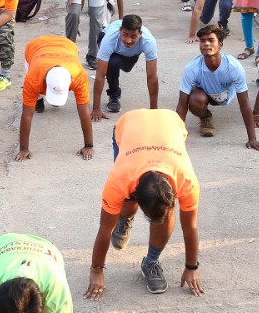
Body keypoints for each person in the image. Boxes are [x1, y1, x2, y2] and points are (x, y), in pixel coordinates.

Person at [87, 108, 202, 297]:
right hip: (128, 124)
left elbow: (190, 227)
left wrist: (192, 267)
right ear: (135, 194)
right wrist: (96, 270)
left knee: (165, 215)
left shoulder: (187, 181)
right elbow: (104, 229)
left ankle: (151, 262)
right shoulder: (120, 180)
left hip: (170, 123)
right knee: (123, 204)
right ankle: (125, 219)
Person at [176, 24, 259, 148]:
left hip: (224, 96)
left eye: (211, 40)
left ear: (220, 44)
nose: (206, 44)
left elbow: (244, 104)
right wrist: (176, 139)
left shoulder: (234, 67)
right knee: (195, 100)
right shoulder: (191, 68)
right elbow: (182, 105)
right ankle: (206, 117)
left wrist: (252, 139)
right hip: (203, 94)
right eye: (203, 41)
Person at [17, 35, 93, 161]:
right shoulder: (33, 77)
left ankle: (42, 96)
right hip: (35, 46)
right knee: (33, 102)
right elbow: (27, 115)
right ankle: (39, 98)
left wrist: (89, 145)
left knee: (47, 99)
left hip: (67, 45)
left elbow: (84, 111)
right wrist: (24, 149)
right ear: (44, 81)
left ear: (70, 82)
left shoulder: (79, 76)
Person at [91, 15, 158, 118]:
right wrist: (96, 109)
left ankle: (125, 58)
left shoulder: (149, 42)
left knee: (126, 67)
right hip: (108, 40)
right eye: (125, 34)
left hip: (131, 53)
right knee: (113, 63)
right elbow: (100, 75)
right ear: (120, 30)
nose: (128, 40)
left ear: (140, 34)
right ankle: (114, 94)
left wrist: (154, 111)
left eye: (133, 36)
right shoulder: (109, 40)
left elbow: (152, 76)